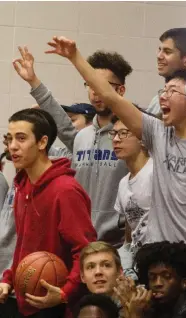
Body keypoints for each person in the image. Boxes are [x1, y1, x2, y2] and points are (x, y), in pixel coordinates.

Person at [44, 36, 186, 255]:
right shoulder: (157, 133)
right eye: (163, 91)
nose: (163, 98)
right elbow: (109, 96)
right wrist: (75, 57)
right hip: (161, 255)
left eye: (172, 92)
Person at [13, 46, 132, 248]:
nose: (95, 92)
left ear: (120, 90)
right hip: (78, 242)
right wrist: (34, 82)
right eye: (90, 84)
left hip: (115, 246)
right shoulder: (82, 137)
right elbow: (61, 122)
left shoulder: (132, 137)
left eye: (101, 85)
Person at [0, 108, 97, 318]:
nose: (12, 146)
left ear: (42, 143)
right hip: (24, 298)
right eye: (9, 139)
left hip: (55, 303)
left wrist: (64, 293)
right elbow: (23, 246)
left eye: (21, 138)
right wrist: (7, 280)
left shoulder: (66, 190)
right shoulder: (22, 186)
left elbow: (86, 251)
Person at [110, 112, 153, 277]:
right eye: (113, 133)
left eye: (123, 133)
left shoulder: (156, 172)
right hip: (138, 263)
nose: (115, 139)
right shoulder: (123, 183)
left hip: (161, 262)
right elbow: (130, 234)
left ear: (142, 138)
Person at [128, 241, 186, 318]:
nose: (157, 283)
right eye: (152, 277)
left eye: (166, 276)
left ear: (184, 283)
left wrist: (136, 315)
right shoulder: (156, 307)